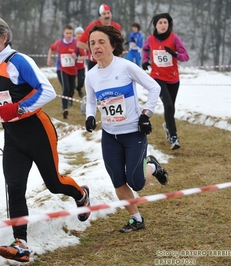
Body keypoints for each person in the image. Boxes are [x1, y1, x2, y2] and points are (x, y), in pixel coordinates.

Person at [0, 16, 91, 263]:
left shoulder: (18, 60)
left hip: (38, 131)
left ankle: (81, 194)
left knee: (54, 183)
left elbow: (47, 91)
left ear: (2, 37)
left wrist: (17, 109)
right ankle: (21, 243)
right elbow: (0, 97)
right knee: (14, 188)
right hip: (13, 137)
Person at [84, 25, 168, 233]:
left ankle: (153, 166)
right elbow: (91, 101)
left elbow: (154, 87)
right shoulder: (91, 75)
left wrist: (146, 115)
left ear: (112, 45)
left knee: (136, 182)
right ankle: (136, 219)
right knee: (118, 181)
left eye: (101, 42)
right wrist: (89, 116)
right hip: (110, 136)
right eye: (93, 43)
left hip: (133, 133)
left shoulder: (126, 67)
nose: (97, 46)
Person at [142, 13, 189, 150]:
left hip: (173, 78)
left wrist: (175, 54)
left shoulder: (174, 38)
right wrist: (145, 61)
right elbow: (145, 49)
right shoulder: (150, 39)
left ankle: (168, 126)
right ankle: (174, 137)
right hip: (157, 78)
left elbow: (185, 56)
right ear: (155, 25)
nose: (163, 25)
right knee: (168, 105)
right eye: (160, 22)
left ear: (169, 24)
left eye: (165, 22)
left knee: (171, 108)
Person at [47, 24, 85, 119]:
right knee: (66, 88)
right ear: (64, 33)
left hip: (73, 70)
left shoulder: (76, 43)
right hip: (62, 69)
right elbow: (51, 49)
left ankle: (67, 103)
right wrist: (49, 59)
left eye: (70, 33)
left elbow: (84, 56)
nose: (68, 35)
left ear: (73, 34)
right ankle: (65, 109)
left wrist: (76, 58)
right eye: (67, 33)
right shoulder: (59, 43)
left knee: (71, 90)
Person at [77, 3, 121, 70]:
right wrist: (94, 47)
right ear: (100, 16)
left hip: (112, 61)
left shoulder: (116, 27)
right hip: (95, 62)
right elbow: (79, 44)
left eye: (108, 13)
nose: (106, 16)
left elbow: (118, 43)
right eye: (104, 14)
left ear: (111, 14)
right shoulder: (93, 26)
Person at [73, 26, 86, 99]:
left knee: (81, 82)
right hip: (73, 66)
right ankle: (71, 96)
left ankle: (79, 89)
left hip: (81, 66)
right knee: (72, 83)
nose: (79, 35)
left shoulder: (85, 43)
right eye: (78, 33)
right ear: (75, 34)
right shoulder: (72, 42)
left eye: (81, 34)